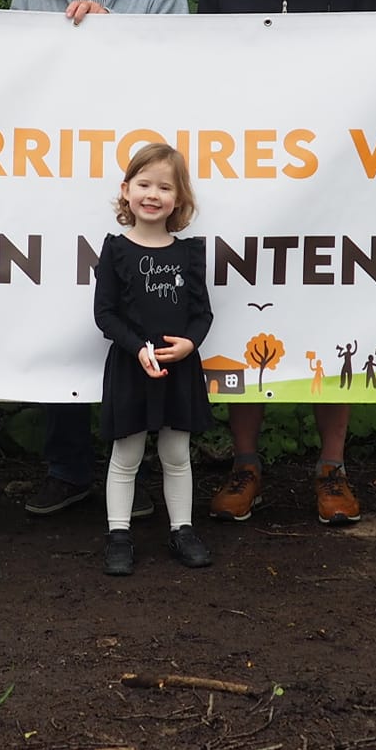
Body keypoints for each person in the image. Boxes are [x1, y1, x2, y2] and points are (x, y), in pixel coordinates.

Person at [199, 0, 376, 527]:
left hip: (334, 175)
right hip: (245, 175)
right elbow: (203, 73)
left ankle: (332, 469)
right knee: (242, 311)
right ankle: (245, 465)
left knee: (328, 312)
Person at [12, 0, 187, 518]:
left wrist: (116, 37)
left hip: (138, 182)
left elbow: (185, 69)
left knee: (138, 321)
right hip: (54, 177)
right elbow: (12, 79)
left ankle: (131, 475)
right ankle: (66, 470)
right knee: (60, 313)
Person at [94, 143, 215, 575]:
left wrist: (190, 345)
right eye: (144, 184)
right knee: (125, 454)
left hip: (178, 370)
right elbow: (105, 314)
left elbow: (203, 314)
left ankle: (182, 530)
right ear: (126, 190)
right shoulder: (115, 250)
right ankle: (118, 535)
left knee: (176, 453)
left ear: (179, 198)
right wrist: (138, 348)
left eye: (165, 187)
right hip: (132, 367)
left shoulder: (189, 254)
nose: (153, 195)